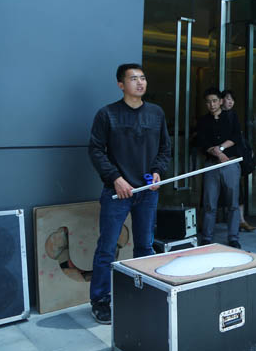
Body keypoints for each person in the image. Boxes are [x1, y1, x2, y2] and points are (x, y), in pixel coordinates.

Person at [88, 63, 171, 324]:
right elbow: (96, 150)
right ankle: (101, 300)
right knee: (107, 248)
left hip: (147, 192)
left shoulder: (156, 113)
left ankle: (144, 292)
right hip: (118, 193)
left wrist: (157, 172)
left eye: (143, 78)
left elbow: (165, 149)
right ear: (120, 84)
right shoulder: (107, 114)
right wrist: (116, 179)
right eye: (133, 78)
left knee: (145, 245)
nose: (140, 82)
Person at [196, 87, 244, 249]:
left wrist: (221, 149)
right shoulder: (203, 121)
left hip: (230, 163)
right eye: (208, 102)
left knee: (233, 203)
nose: (212, 104)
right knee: (209, 202)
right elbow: (202, 143)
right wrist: (216, 152)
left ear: (221, 101)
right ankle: (207, 237)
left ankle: (233, 237)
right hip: (211, 165)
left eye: (215, 101)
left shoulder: (231, 117)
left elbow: (236, 136)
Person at [221, 89, 255, 233]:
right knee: (215, 193)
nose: (230, 102)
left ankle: (240, 221)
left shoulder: (233, 115)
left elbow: (236, 137)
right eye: (228, 99)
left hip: (233, 159)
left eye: (232, 100)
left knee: (237, 192)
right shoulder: (215, 116)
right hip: (218, 159)